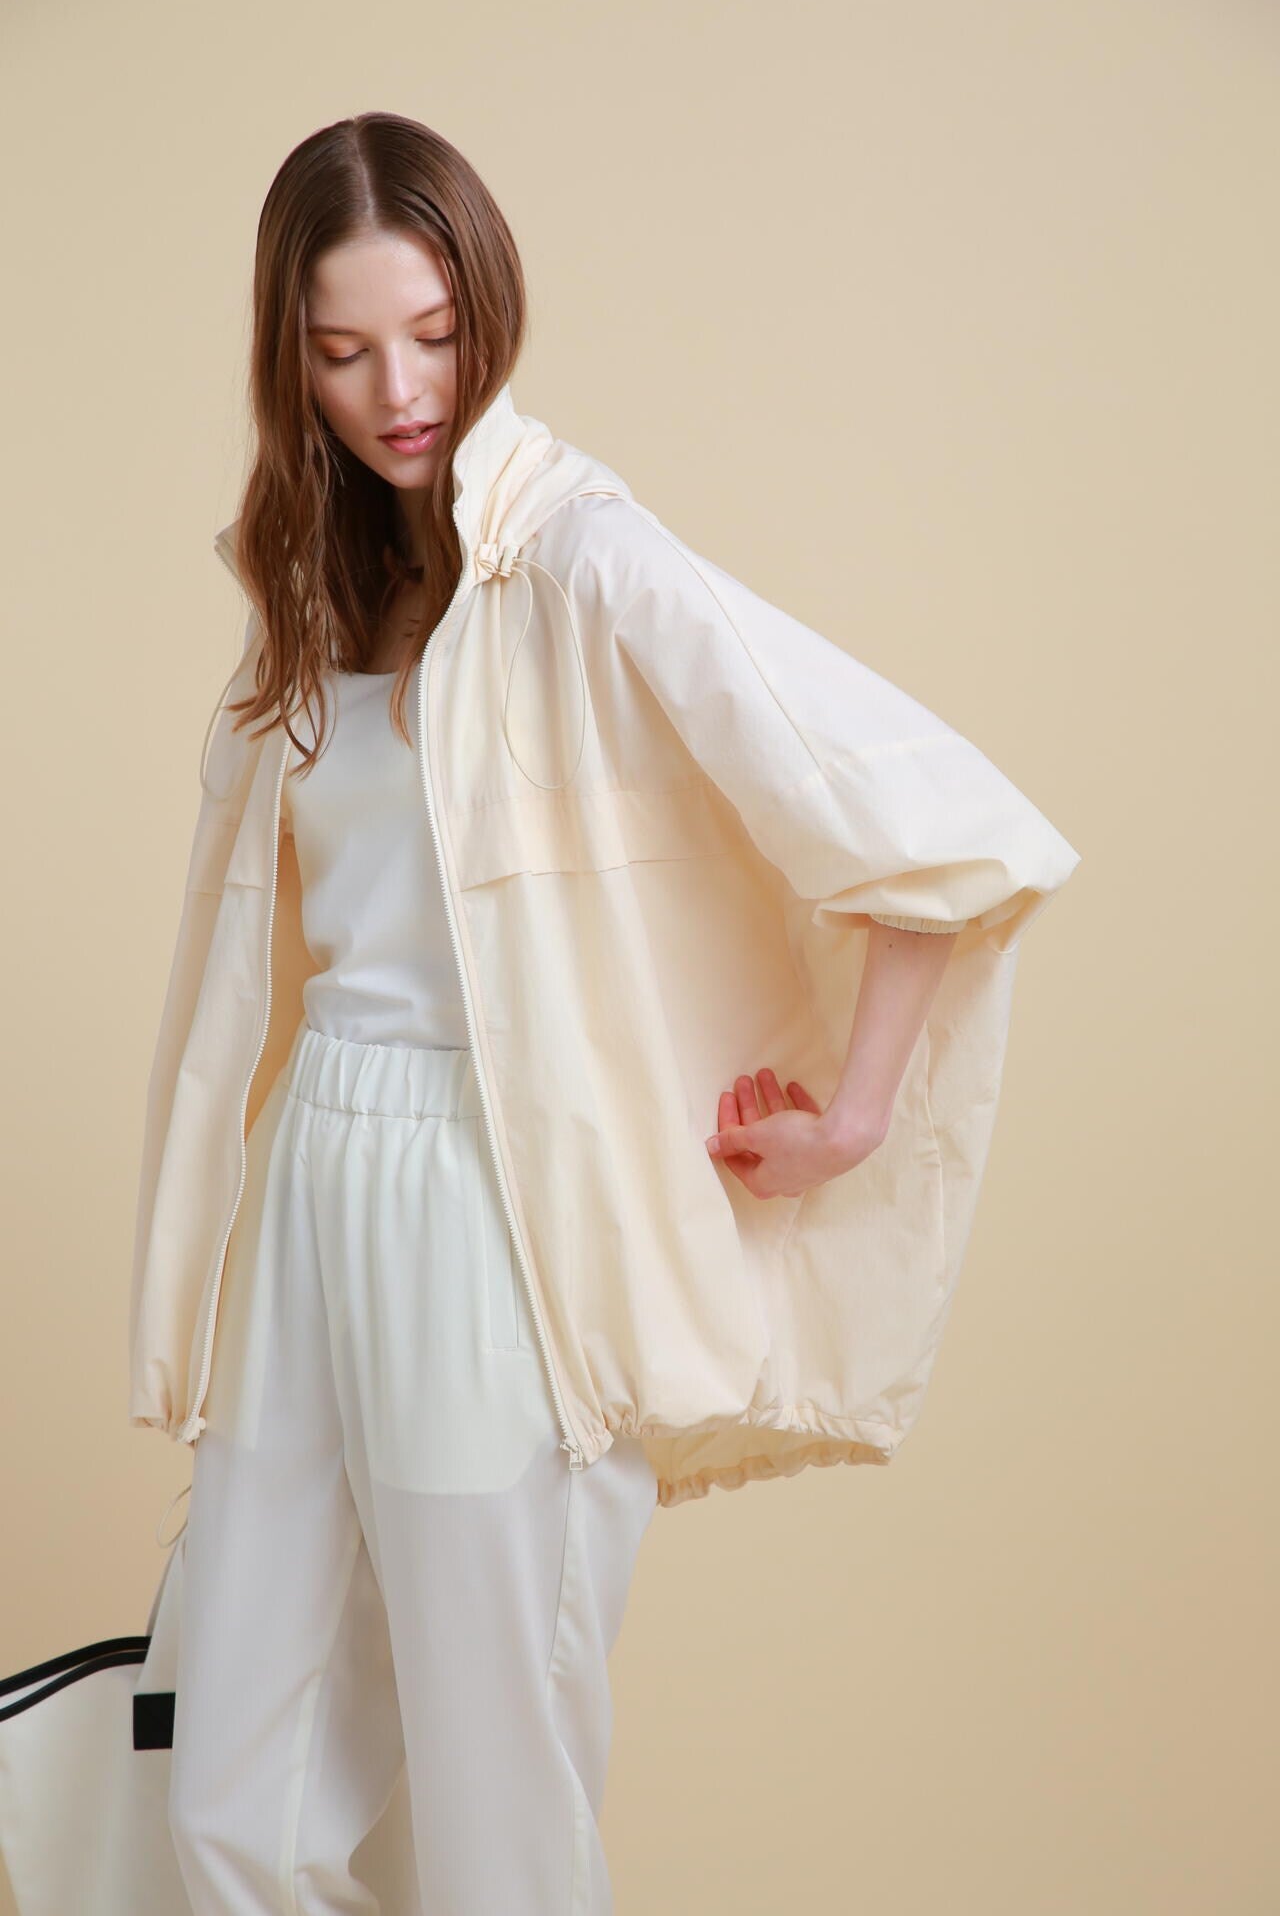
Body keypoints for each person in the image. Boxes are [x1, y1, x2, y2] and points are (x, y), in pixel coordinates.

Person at [133, 111, 1080, 1916]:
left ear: (487, 309)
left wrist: (857, 1113)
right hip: (314, 1175)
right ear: (290, 360)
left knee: (496, 1811)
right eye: (343, 352)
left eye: (433, 335)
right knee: (230, 1793)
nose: (400, 392)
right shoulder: (314, 584)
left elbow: (935, 829)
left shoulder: (580, 557)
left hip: (499, 1204)